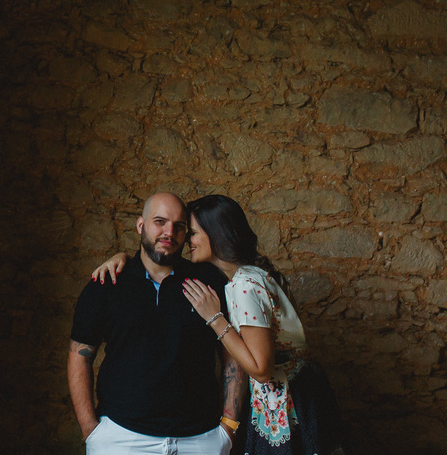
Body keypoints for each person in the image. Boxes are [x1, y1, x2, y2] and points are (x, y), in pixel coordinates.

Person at [91, 194, 347, 455]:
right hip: (289, 399)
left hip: (287, 404)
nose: (186, 241)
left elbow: (261, 370)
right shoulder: (247, 276)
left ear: (216, 234)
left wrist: (215, 319)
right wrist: (123, 256)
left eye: (191, 233)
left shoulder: (245, 285)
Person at [69, 192, 246, 455]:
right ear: (141, 225)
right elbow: (79, 356)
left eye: (179, 226)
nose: (169, 232)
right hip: (121, 437)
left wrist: (228, 428)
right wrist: (90, 430)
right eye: (160, 222)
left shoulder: (210, 281)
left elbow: (232, 354)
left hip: (201, 439)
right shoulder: (107, 283)